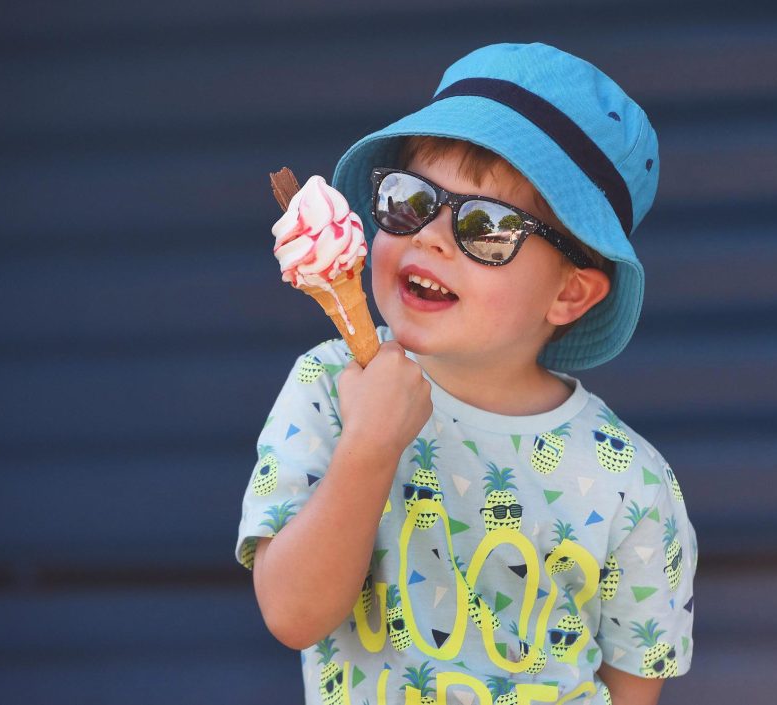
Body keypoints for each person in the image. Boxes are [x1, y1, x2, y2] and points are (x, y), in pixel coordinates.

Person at [237, 42, 696, 705]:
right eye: (410, 200)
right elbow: (292, 612)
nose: (430, 237)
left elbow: (633, 685)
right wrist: (369, 446)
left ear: (569, 294)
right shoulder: (331, 388)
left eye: (487, 226)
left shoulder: (635, 483)